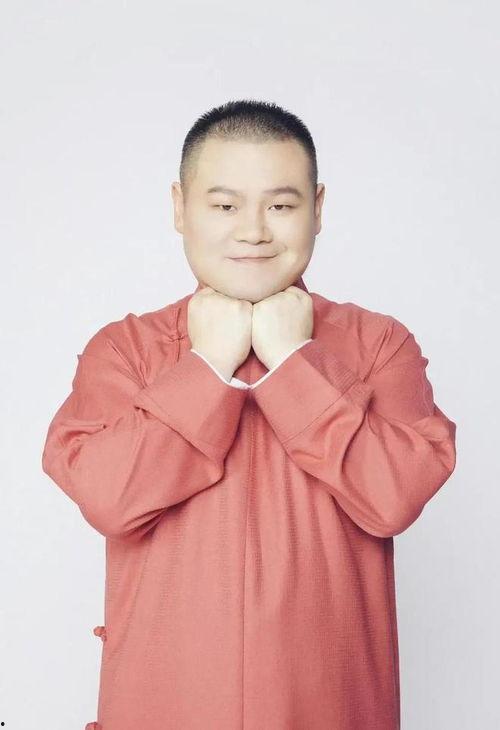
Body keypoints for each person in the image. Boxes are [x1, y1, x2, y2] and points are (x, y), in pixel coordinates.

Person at [41, 99, 457, 730]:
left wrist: (295, 361)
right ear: (180, 208)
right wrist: (207, 364)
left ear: (318, 209)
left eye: (281, 206)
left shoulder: (378, 346)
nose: (254, 231)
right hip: (162, 707)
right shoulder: (125, 351)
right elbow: (110, 498)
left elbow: (394, 496)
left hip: (331, 710)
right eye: (225, 206)